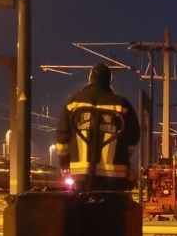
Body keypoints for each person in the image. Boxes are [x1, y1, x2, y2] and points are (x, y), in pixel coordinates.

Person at [55, 63, 140, 191]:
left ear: (90, 78)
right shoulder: (122, 105)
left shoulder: (73, 102)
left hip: (80, 174)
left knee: (78, 202)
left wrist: (64, 164)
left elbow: (62, 138)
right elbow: (133, 139)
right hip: (115, 175)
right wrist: (123, 157)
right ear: (109, 80)